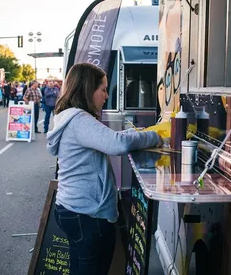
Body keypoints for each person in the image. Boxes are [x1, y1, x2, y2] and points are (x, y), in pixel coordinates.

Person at [46, 63, 163, 275]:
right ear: (88, 89)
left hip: (72, 208)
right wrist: (156, 135)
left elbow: (111, 139)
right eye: (103, 89)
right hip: (87, 214)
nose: (106, 96)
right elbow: (117, 143)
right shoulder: (79, 120)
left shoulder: (71, 117)